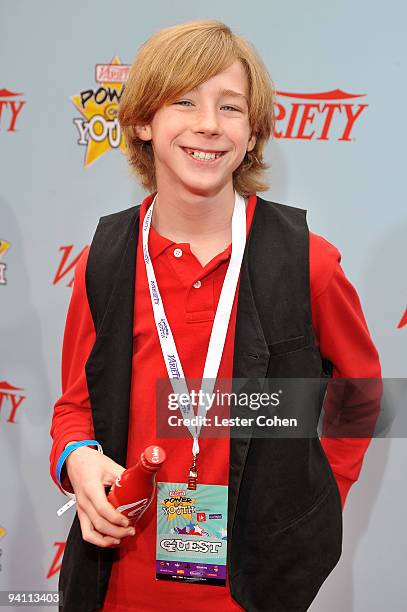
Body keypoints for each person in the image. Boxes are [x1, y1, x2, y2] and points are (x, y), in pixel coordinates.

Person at [50, 19, 382, 612]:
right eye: (183, 101)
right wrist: (75, 459)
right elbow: (75, 404)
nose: (208, 123)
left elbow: (360, 392)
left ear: (252, 132)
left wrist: (314, 499)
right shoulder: (104, 260)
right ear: (143, 122)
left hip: (252, 584)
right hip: (116, 574)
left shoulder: (308, 261)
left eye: (230, 106)